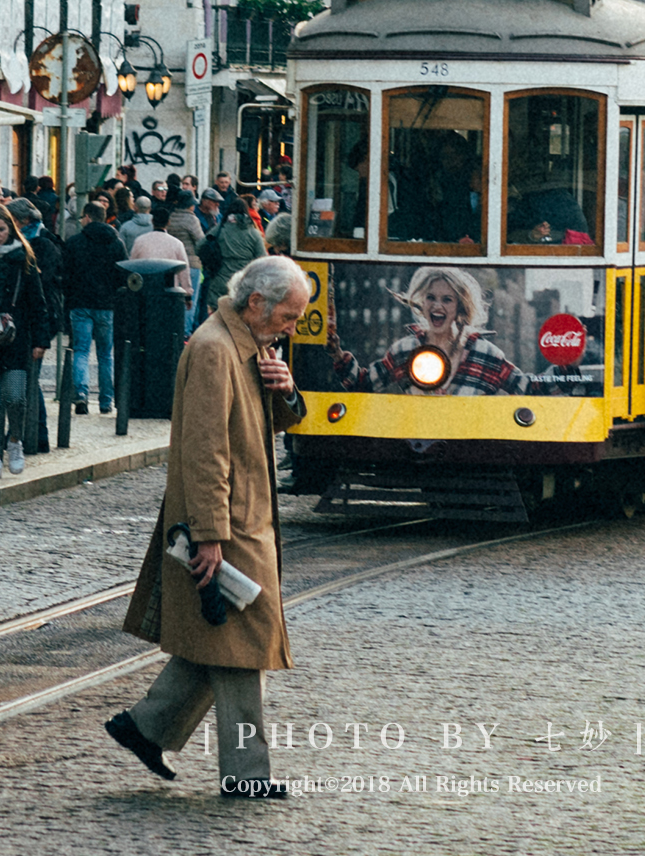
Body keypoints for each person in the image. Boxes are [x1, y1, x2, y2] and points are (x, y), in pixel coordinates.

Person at [114, 256, 310, 799]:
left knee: (223, 635)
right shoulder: (213, 350)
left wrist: (285, 389)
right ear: (256, 304)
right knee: (245, 644)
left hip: (246, 516)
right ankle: (247, 775)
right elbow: (205, 452)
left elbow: (283, 420)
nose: (292, 328)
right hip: (231, 522)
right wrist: (208, 534)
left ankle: (146, 725)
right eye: (289, 317)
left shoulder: (251, 345)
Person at [329, 266, 530, 395]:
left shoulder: (486, 354)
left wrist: (561, 372)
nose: (437, 306)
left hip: (470, 454)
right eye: (431, 298)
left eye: (447, 299)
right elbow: (363, 384)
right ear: (422, 303)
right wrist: (338, 355)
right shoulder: (405, 350)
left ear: (460, 307)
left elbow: (527, 389)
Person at [0, 206, 49, 478]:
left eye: (1, 230)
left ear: (10, 229)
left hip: (17, 339)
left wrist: (40, 340)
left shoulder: (23, 258)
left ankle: (15, 441)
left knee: (16, 397)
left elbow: (38, 303)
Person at [64, 202, 128, 415]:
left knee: (81, 350)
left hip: (80, 303)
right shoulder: (116, 243)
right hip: (106, 304)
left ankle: (81, 395)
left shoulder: (74, 242)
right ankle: (105, 401)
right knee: (105, 354)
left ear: (88, 217)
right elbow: (123, 274)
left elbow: (66, 273)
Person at [10, 198, 64, 452]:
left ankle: (37, 435)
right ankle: (32, 434)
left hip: (37, 320)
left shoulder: (42, 245)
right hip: (32, 320)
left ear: (22, 222)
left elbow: (40, 290)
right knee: (26, 379)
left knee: (30, 379)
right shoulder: (30, 242)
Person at [200, 199, 265, 329]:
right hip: (243, 282)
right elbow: (263, 258)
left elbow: (200, 246)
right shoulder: (253, 233)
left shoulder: (219, 229)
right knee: (240, 320)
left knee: (218, 320)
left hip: (219, 279)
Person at [163, 193, 206, 332]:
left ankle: (172, 330)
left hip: (171, 264)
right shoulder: (192, 219)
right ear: (190, 205)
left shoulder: (171, 217)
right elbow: (201, 241)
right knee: (189, 302)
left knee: (173, 301)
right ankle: (185, 332)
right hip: (191, 264)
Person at [131, 205, 193, 292]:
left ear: (152, 221)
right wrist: (187, 292)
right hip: (169, 291)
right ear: (168, 222)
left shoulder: (139, 241)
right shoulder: (177, 244)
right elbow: (184, 270)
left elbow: (133, 264)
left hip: (145, 290)